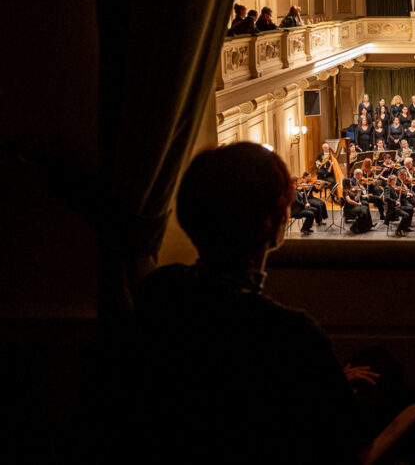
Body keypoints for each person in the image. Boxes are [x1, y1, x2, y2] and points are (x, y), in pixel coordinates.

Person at [94, 143, 382, 462]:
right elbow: (348, 442)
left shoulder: (157, 291)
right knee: (381, 371)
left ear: (188, 217)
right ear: (277, 223)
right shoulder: (293, 336)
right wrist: (331, 386)